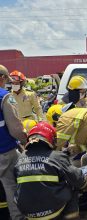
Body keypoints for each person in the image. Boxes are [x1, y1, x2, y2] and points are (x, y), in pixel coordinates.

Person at [14, 121, 87, 220]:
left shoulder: (20, 158)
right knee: (73, 183)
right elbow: (78, 179)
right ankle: (71, 217)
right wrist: (86, 182)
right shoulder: (57, 156)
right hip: (51, 212)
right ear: (51, 139)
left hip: (27, 213)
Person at [0, 64, 26, 220]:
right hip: (5, 151)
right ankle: (17, 217)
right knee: (11, 184)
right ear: (2, 78)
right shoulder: (4, 97)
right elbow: (15, 129)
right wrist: (26, 141)